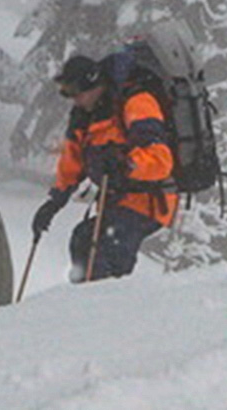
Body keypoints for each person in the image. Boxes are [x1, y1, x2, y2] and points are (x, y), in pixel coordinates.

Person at [31, 53, 177, 282]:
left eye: (75, 92)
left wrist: (127, 164)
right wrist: (54, 201)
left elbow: (161, 159)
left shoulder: (135, 101)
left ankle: (106, 306)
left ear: (92, 84)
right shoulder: (84, 115)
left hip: (148, 200)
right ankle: (89, 300)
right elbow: (73, 161)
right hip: (118, 199)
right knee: (83, 239)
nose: (73, 99)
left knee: (104, 247)